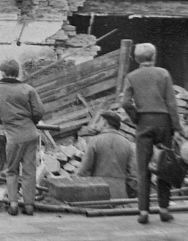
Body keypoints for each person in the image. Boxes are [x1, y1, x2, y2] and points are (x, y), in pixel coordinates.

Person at [121, 43, 182, 224]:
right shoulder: (163, 74)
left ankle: (143, 212)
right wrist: (177, 128)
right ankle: (164, 209)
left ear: (137, 59)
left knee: (143, 168)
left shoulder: (131, 77)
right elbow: (172, 104)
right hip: (164, 123)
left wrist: (136, 118)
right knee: (164, 165)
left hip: (144, 124)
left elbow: (125, 103)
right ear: (153, 57)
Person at [0, 58, 46, 216]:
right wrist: (30, 121)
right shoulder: (28, 89)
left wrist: (6, 120)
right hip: (31, 133)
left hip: (13, 136)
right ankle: (29, 205)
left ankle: (13, 204)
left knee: (11, 170)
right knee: (29, 170)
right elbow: (39, 111)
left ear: (3, 73)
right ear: (17, 72)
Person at [77, 111, 136, 199]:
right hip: (121, 195)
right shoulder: (128, 144)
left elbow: (84, 170)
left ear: (105, 122)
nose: (97, 124)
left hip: (98, 193)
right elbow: (133, 176)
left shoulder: (95, 141)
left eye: (99, 121)